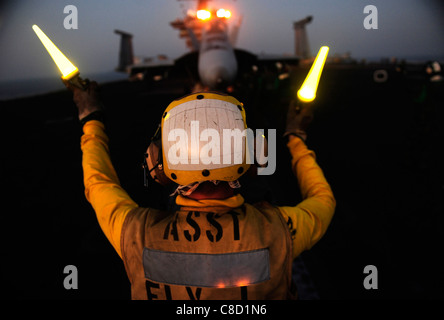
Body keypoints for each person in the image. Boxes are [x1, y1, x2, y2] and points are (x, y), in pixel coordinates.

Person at [67, 80, 335, 300]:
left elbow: (98, 182)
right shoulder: (281, 231)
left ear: (156, 161)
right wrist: (296, 137)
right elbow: (323, 198)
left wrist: (90, 116)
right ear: (255, 154)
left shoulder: (133, 231)